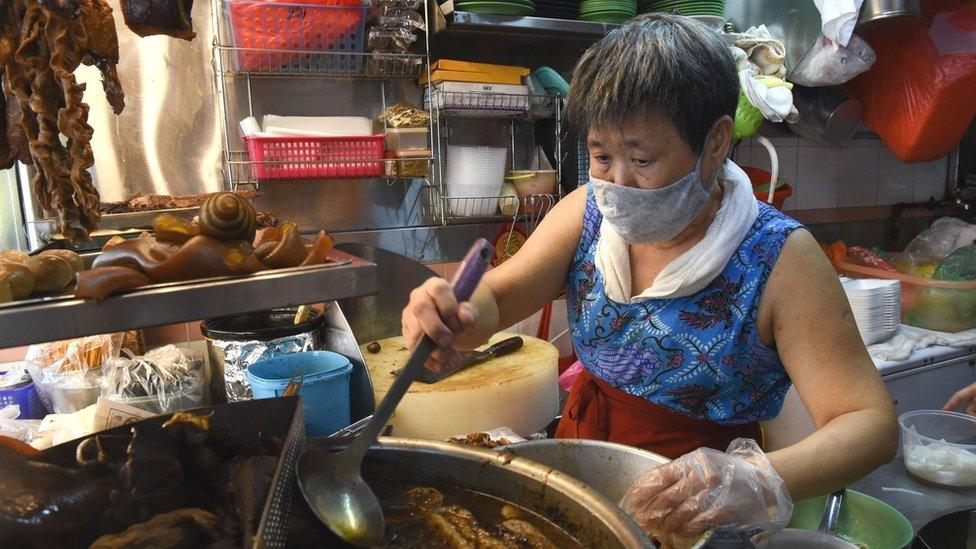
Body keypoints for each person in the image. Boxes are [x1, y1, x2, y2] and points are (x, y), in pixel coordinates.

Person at [401, 14, 898, 547]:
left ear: (716, 142)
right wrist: (455, 309)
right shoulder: (585, 214)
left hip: (701, 513)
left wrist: (756, 479)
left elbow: (869, 424)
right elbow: (497, 297)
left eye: (641, 158)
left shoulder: (779, 258)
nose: (617, 183)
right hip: (581, 475)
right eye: (600, 156)